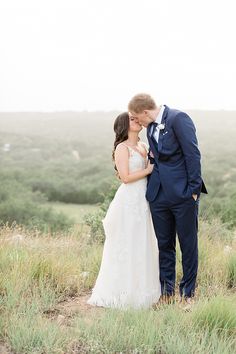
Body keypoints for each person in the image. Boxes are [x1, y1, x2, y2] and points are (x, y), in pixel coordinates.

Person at [128, 94, 207, 307]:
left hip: (183, 195)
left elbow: (193, 155)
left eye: (137, 118)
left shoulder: (178, 119)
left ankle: (188, 294)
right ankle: (167, 292)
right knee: (164, 245)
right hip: (158, 196)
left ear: (145, 112)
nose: (138, 123)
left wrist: (193, 191)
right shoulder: (150, 127)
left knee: (188, 245)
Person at [87, 112, 161, 309]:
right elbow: (125, 177)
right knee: (127, 242)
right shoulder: (122, 148)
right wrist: (148, 170)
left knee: (144, 242)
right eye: (131, 118)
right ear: (123, 125)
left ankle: (144, 289)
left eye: (137, 118)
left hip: (145, 199)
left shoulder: (144, 145)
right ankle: (122, 292)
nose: (136, 120)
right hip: (129, 199)